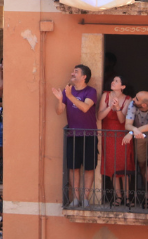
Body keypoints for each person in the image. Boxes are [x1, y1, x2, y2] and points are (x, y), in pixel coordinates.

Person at [54, 64, 98, 206]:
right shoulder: (69, 91)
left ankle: (85, 198)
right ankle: (76, 198)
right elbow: (59, 111)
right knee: (73, 167)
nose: (72, 73)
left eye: (76, 72)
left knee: (89, 167)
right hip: (72, 135)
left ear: (84, 77)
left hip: (89, 135)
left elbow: (85, 107)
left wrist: (70, 96)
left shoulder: (91, 91)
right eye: (73, 71)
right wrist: (61, 99)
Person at [98, 76, 134, 206]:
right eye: (113, 80)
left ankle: (128, 197)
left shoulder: (128, 100)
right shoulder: (105, 95)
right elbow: (99, 116)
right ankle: (118, 196)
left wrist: (118, 107)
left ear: (123, 87)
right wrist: (109, 107)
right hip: (108, 135)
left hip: (122, 136)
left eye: (117, 81)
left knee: (124, 167)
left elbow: (122, 120)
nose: (113, 82)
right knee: (112, 166)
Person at [122, 90, 148, 202]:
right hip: (139, 136)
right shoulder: (132, 104)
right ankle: (146, 191)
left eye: (136, 99)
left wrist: (131, 133)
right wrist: (134, 130)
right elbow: (127, 125)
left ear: (144, 105)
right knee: (142, 164)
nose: (133, 99)